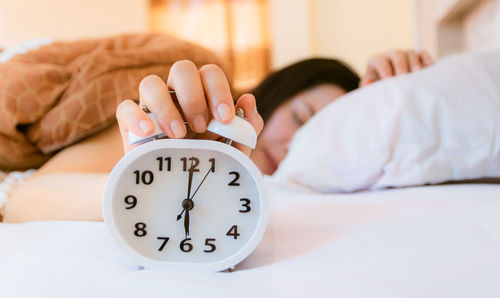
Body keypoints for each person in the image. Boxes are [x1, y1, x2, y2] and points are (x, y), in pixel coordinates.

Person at [2, 49, 433, 222]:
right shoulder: (195, 105)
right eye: (302, 119)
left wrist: (400, 102)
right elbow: (22, 199)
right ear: (280, 89)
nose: (292, 147)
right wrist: (159, 167)